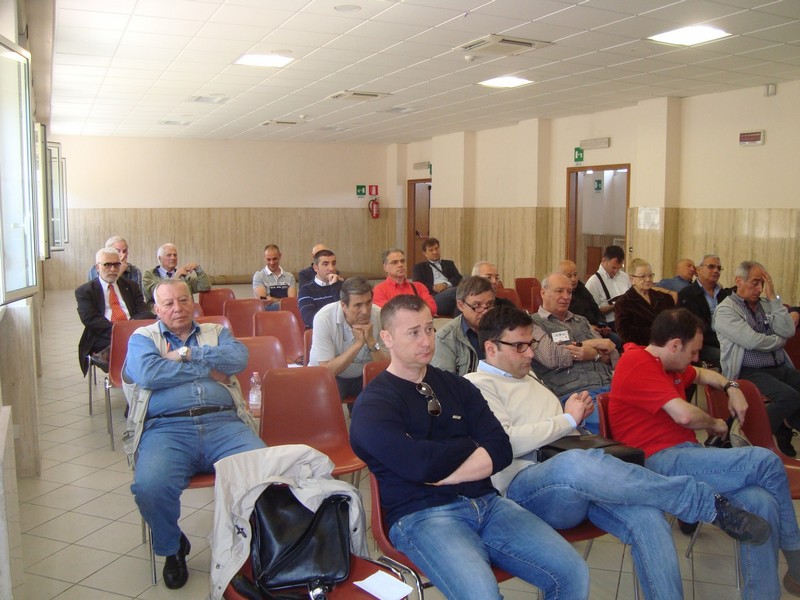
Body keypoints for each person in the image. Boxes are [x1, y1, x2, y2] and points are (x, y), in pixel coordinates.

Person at [466, 304, 770, 600]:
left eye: (530, 344)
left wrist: (574, 420)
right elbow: (503, 444)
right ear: (491, 348)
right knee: (575, 464)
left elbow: (558, 433)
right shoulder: (476, 386)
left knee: (648, 518)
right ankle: (703, 502)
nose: (531, 353)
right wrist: (567, 419)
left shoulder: (529, 377)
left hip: (578, 478)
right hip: (528, 487)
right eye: (520, 346)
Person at [350, 294, 590, 600]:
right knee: (482, 596)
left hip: (489, 504)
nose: (426, 340)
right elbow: (419, 465)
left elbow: (501, 449)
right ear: (387, 338)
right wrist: (472, 445)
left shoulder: (458, 386)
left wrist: (445, 468)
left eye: (429, 329)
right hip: (423, 515)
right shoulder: (374, 404)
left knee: (572, 572)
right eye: (413, 332)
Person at [608, 307, 800, 600]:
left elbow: (702, 374)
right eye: (693, 351)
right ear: (675, 345)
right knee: (766, 461)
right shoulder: (636, 361)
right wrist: (714, 423)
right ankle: (796, 558)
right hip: (657, 464)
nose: (696, 357)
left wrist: (730, 386)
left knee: (761, 503)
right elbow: (685, 416)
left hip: (685, 456)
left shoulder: (669, 365)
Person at [123, 279, 264, 589]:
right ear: (156, 309)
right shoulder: (142, 337)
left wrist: (184, 354)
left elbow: (237, 359)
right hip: (166, 429)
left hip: (224, 423)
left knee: (265, 470)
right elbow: (149, 373)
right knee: (150, 487)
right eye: (169, 303)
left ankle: (254, 542)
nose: (178, 308)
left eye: (183, 300)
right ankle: (173, 547)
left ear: (193, 302)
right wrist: (208, 367)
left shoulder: (216, 331)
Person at [715, 261, 800, 457]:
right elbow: (752, 341)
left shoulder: (766, 304)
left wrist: (773, 298)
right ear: (739, 281)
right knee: (788, 397)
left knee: (795, 392)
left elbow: (788, 330)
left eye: (762, 283)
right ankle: (749, 438)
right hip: (748, 371)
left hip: (779, 366)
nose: (759, 288)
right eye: (755, 282)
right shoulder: (726, 310)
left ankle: (783, 427)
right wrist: (779, 341)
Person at [531, 273, 617, 433]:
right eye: (559, 291)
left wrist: (594, 354)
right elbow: (552, 357)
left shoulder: (581, 321)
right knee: (619, 422)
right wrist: (592, 345)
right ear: (543, 293)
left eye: (569, 292)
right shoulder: (532, 324)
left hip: (610, 387)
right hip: (575, 394)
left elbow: (611, 352)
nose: (566, 297)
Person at [76, 247, 152, 374]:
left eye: (116, 265)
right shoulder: (85, 291)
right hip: (104, 334)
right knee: (131, 345)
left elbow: (143, 311)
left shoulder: (131, 286)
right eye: (107, 265)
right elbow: (90, 319)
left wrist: (129, 328)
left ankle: (137, 374)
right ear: (98, 267)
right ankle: (128, 374)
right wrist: (118, 331)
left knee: (150, 328)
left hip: (132, 330)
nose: (112, 269)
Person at [308, 277, 387, 400]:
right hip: (330, 377)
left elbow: (385, 366)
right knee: (325, 401)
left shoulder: (378, 314)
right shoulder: (324, 318)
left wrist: (371, 342)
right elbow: (327, 371)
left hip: (363, 375)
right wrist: (358, 344)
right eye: (358, 305)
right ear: (343, 305)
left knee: (387, 395)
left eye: (368, 303)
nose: (365, 311)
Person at [431, 276, 495, 375]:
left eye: (489, 304)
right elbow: (446, 382)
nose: (485, 311)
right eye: (477, 305)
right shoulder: (444, 339)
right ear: (461, 305)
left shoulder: (503, 330)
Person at [677, 253, 733, 366]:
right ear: (698, 270)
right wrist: (723, 342)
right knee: (731, 358)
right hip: (702, 344)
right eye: (711, 267)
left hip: (726, 341)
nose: (716, 271)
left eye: (719, 268)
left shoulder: (724, 295)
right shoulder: (688, 294)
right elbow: (692, 328)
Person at [614, 258, 675, 346]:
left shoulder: (665, 298)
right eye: (642, 276)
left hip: (667, 346)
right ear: (631, 279)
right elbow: (625, 333)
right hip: (640, 347)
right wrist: (657, 335)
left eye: (650, 275)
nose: (648, 279)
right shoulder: (623, 303)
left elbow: (674, 323)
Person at [372, 248, 437, 315]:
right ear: (385, 267)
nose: (400, 265)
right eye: (395, 262)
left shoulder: (419, 287)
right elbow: (388, 314)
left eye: (402, 261)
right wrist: (417, 309)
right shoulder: (379, 290)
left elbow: (432, 309)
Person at [141, 243, 211, 304]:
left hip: (184, 310)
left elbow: (205, 287)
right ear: (159, 258)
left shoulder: (183, 275)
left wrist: (198, 269)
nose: (173, 258)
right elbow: (155, 294)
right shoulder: (149, 275)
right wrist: (175, 278)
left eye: (175, 255)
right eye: (169, 255)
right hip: (159, 312)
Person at [412, 237, 463, 316]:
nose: (435, 252)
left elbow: (458, 278)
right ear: (425, 253)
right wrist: (435, 287)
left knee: (462, 295)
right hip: (434, 296)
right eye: (431, 250)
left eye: (436, 248)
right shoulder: (419, 267)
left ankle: (458, 320)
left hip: (450, 291)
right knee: (459, 292)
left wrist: (446, 285)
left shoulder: (449, 263)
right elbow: (418, 284)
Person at [584, 245, 631, 330]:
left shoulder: (624, 277)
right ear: (604, 261)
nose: (616, 271)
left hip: (627, 319)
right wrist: (615, 306)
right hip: (608, 324)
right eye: (613, 267)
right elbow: (591, 312)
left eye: (619, 268)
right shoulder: (593, 282)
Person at [297, 249, 342, 328]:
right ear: (315, 268)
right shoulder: (306, 290)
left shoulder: (342, 286)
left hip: (341, 331)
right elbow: (309, 319)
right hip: (318, 331)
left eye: (333, 264)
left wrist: (334, 286)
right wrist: (336, 318)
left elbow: (346, 314)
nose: (331, 268)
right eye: (325, 264)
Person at [252, 243, 296, 310]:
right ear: (264, 258)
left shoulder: (290, 277)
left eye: (274, 259)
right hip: (268, 312)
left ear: (280, 256)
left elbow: (291, 302)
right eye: (268, 259)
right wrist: (282, 302)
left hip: (286, 311)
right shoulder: (259, 276)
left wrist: (275, 300)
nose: (272, 263)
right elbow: (264, 301)